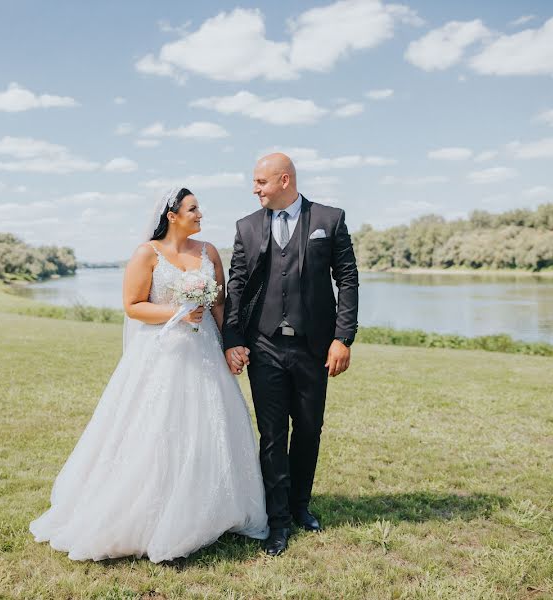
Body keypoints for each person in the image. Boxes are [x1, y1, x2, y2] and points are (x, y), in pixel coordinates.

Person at [29, 187, 269, 563]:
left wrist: (228, 345)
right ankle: (154, 514)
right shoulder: (147, 253)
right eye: (193, 208)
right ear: (172, 215)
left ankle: (215, 509)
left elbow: (219, 303)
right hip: (163, 354)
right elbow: (132, 306)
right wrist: (178, 310)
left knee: (212, 426)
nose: (200, 213)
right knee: (160, 428)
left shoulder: (208, 252)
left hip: (204, 349)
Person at [222, 153, 359, 556]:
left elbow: (347, 279)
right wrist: (232, 339)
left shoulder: (329, 220)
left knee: (309, 429)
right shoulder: (246, 227)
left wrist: (343, 338)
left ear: (284, 180)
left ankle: (300, 506)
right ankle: (277, 520)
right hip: (264, 346)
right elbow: (237, 284)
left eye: (261, 182)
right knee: (272, 435)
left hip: (313, 346)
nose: (255, 189)